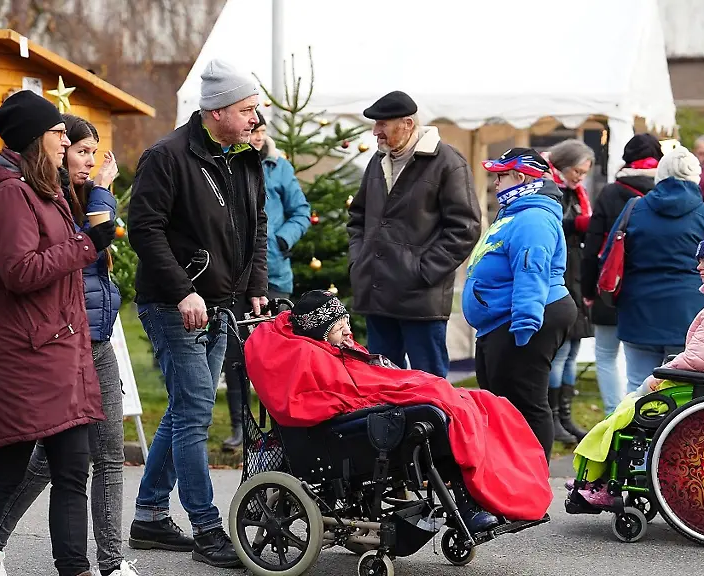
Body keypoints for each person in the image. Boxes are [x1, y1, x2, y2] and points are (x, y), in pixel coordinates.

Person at [0, 90, 117, 576]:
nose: (66, 138)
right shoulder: (7, 194)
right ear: (33, 140)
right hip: (23, 349)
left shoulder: (40, 185)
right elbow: (19, 271)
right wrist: (87, 244)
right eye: (57, 133)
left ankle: (74, 568)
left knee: (71, 469)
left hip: (55, 343)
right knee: (7, 471)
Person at [244, 290, 552, 533]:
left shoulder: (336, 348)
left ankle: (482, 495)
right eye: (340, 329)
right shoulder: (309, 355)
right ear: (322, 333)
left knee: (486, 404)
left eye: (347, 324)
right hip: (351, 421)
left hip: (377, 397)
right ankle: (470, 500)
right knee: (438, 411)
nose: (349, 333)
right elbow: (323, 397)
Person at [126, 59, 267, 569]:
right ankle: (208, 529)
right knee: (195, 412)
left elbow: (257, 226)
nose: (258, 117)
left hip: (222, 303)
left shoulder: (245, 156)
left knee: (188, 408)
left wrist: (254, 286)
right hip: (174, 305)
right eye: (249, 109)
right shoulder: (166, 157)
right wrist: (184, 291)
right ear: (218, 110)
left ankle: (147, 516)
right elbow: (144, 229)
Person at [0, 113, 137, 576]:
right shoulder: (49, 198)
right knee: (49, 463)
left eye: (94, 153)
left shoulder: (69, 195)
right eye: (80, 151)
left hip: (96, 337)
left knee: (106, 455)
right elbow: (92, 236)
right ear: (54, 151)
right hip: (63, 341)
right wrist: (105, 193)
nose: (90, 162)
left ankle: (109, 561)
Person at [573, 219, 704, 507]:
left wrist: (662, 373)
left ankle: (600, 481)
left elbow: (697, 361)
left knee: (627, 411)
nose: (699, 267)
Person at [348, 90, 480, 378]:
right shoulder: (376, 162)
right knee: (382, 384)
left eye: (382, 124)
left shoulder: (448, 162)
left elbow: (465, 227)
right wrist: (359, 260)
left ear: (407, 124)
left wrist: (422, 272)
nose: (375, 132)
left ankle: (435, 426)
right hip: (377, 296)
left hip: (421, 299)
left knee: (429, 386)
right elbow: (357, 217)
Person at [462, 148, 577, 461]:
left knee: (526, 405)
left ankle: (532, 488)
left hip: (523, 320)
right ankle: (510, 482)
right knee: (501, 404)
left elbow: (532, 270)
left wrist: (525, 323)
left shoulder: (533, 218)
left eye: (501, 176)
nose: (495, 183)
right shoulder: (516, 212)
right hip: (500, 321)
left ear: (522, 177)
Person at [220, 108, 311, 452]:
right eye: (251, 130)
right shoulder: (228, 163)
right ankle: (240, 428)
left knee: (276, 356)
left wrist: (282, 240)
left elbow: (301, 211)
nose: (255, 137)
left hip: (274, 275)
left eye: (260, 131)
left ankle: (279, 428)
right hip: (235, 280)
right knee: (235, 357)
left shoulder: (279, 167)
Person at [602, 145, 704, 394]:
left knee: (637, 385)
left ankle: (636, 432)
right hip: (688, 312)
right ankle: (673, 434)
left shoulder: (635, 208)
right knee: (681, 390)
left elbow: (610, 252)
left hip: (638, 309)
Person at [581, 134, 663, 415]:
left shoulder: (611, 193)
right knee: (646, 362)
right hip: (652, 292)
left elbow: (593, 246)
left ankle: (613, 416)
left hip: (612, 286)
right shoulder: (668, 191)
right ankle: (651, 419)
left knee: (605, 354)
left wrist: (589, 291)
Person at [543, 139, 595, 443]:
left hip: (575, 275)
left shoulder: (576, 193)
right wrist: (578, 224)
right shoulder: (552, 190)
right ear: (563, 165)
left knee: (573, 351)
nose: (580, 177)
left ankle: (564, 415)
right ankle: (551, 416)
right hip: (563, 274)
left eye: (584, 172)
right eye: (577, 170)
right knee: (561, 352)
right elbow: (556, 226)